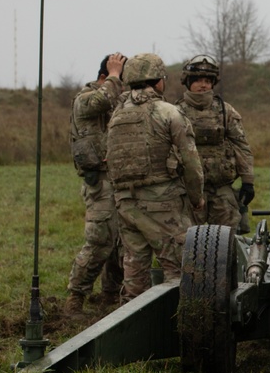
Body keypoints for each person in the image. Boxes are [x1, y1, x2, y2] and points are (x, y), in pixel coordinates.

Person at [106, 53, 205, 302]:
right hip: (162, 201)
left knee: (134, 269)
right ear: (159, 81)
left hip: (125, 203)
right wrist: (196, 198)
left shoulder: (117, 116)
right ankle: (178, 322)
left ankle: (128, 324)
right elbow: (192, 162)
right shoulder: (168, 112)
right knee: (180, 267)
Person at [64, 53, 126, 316]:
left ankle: (110, 295)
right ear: (104, 77)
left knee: (120, 241)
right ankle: (75, 298)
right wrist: (114, 75)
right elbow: (100, 101)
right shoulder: (85, 99)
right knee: (100, 240)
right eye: (119, 82)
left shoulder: (115, 102)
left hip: (117, 179)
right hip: (99, 181)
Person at [175, 55, 255, 230]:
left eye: (207, 81)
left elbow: (241, 146)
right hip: (189, 190)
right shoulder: (175, 113)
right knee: (186, 238)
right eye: (197, 80)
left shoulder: (226, 111)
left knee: (228, 238)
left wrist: (248, 180)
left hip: (221, 188)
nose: (203, 85)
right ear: (188, 82)